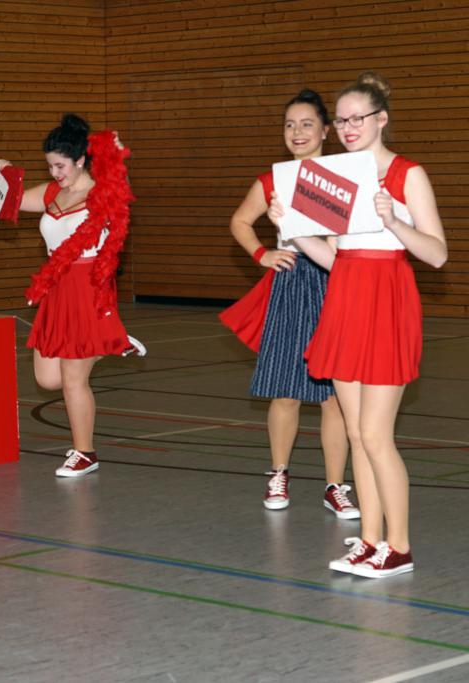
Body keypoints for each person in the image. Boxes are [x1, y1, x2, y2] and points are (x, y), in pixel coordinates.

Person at [274, 72, 447, 578]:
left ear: (381, 119)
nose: (349, 127)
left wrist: (394, 222)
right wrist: (292, 228)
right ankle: (371, 540)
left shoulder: (408, 174)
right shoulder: (336, 174)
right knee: (355, 433)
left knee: (375, 434)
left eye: (358, 119)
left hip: (387, 298)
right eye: (343, 120)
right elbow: (335, 257)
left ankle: (400, 546)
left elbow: (437, 253)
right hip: (345, 297)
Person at [221, 90, 355, 517]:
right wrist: (262, 254)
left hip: (336, 283)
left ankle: (335, 485)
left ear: (326, 130)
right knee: (285, 390)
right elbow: (240, 221)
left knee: (335, 395)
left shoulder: (345, 175)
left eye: (307, 124)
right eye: (290, 125)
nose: (297, 132)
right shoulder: (274, 179)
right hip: (292, 282)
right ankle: (279, 473)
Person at [0, 114, 141, 478]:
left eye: (60, 166)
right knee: (48, 379)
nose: (54, 173)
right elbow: (9, 200)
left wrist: (114, 155)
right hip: (56, 290)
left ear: (80, 160)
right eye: (49, 166)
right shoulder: (51, 193)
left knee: (74, 378)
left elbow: (121, 187)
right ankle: (111, 341)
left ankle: (85, 453)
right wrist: (0, 175)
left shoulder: (103, 193)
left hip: (88, 290)